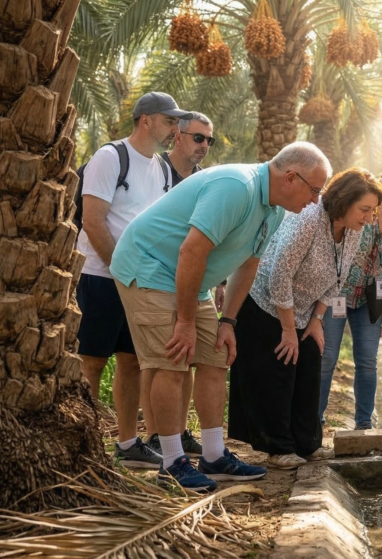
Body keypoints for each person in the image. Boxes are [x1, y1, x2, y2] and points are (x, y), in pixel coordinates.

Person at [110, 141, 332, 491]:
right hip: (150, 267)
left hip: (190, 280)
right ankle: (172, 463)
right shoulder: (236, 187)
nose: (316, 200)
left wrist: (228, 322)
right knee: (173, 360)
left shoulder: (274, 210)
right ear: (291, 177)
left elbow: (248, 265)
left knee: (215, 358)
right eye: (315, 190)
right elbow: (191, 249)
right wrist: (184, 322)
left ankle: (213, 455)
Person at [230, 168, 382, 470]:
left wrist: (317, 319)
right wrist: (288, 328)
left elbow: (339, 277)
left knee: (310, 363)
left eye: (372, 211)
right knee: (280, 372)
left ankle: (308, 443)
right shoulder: (307, 218)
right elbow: (279, 274)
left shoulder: (356, 230)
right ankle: (279, 448)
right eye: (364, 209)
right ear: (343, 201)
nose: (369, 217)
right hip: (266, 304)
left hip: (305, 309)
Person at [77, 91, 190, 469]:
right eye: (170, 120)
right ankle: (86, 442)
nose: (177, 128)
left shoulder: (160, 167)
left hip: (141, 283)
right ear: (146, 120)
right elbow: (92, 221)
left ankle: (127, 444)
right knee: (91, 362)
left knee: (131, 362)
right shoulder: (110, 157)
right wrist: (122, 269)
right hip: (101, 278)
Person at [318, 160, 382, 430]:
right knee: (327, 357)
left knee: (367, 361)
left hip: (371, 297)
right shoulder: (361, 206)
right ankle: (314, 421)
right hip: (337, 293)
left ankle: (364, 423)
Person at [142, 111, 215, 459]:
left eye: (209, 141)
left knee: (183, 358)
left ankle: (180, 432)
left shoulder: (205, 181)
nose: (204, 146)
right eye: (198, 138)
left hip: (187, 277)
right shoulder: (154, 171)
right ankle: (154, 435)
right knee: (155, 360)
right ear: (178, 136)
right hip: (150, 273)